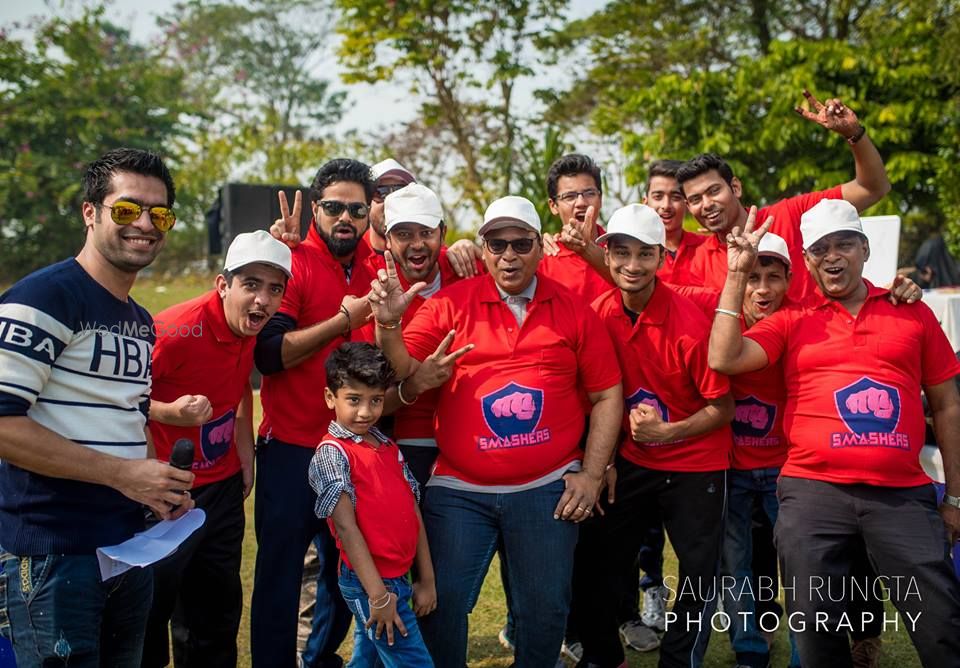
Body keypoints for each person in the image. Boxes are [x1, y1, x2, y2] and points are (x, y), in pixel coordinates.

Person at [370, 195, 623, 667]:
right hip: (460, 487)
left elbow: (609, 393)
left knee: (545, 611)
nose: (509, 255)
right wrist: (387, 325)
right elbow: (402, 368)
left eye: (521, 243)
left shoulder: (573, 309)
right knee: (439, 603)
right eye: (497, 243)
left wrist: (590, 473)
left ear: (538, 249)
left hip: (547, 486)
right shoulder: (448, 306)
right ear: (482, 249)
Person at [709, 200, 960, 667]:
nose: (832, 256)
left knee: (941, 622)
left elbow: (947, 404)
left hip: (901, 494)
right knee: (816, 629)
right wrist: (736, 273)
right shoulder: (793, 320)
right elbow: (724, 358)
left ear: (864, 249)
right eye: (820, 248)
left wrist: (956, 499)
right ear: (807, 261)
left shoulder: (912, 312)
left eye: (844, 243)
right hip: (812, 491)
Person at [0, 148, 195, 667]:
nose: (146, 224)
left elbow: (119, 416)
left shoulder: (140, 319)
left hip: (127, 548)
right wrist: (124, 475)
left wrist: (153, 493)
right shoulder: (45, 297)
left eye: (160, 214)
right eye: (128, 210)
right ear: (91, 212)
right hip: (53, 554)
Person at [571, 204, 734, 668]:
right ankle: (605, 656)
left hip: (696, 463)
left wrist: (670, 431)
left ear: (662, 258)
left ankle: (678, 662)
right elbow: (596, 399)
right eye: (621, 253)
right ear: (607, 254)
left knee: (699, 576)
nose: (631, 265)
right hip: (632, 461)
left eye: (645, 254)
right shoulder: (599, 314)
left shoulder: (690, 322)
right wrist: (608, 462)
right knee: (597, 560)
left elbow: (722, 407)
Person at [142, 231, 292, 668]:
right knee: (154, 608)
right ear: (222, 285)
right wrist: (169, 412)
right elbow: (118, 395)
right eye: (251, 285)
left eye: (274, 289)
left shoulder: (249, 330)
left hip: (223, 490)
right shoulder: (174, 329)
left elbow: (242, 384)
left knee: (217, 608)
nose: (262, 300)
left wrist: (244, 450)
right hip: (167, 492)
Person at [252, 158, 377, 668]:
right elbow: (268, 354)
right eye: (333, 207)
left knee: (340, 573)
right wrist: (340, 320)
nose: (345, 217)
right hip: (291, 450)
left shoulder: (377, 265)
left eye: (357, 209)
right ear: (316, 208)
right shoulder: (292, 262)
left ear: (371, 214)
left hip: (350, 453)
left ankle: (319, 656)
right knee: (280, 577)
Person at [678, 90, 891, 299]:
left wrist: (854, 134)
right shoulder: (697, 264)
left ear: (735, 188)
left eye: (714, 191)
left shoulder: (791, 214)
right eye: (696, 199)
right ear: (689, 207)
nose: (707, 204)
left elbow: (871, 189)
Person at [308, 342, 437, 667]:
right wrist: (378, 597)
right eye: (353, 400)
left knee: (367, 661)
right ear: (329, 398)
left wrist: (426, 579)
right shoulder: (332, 454)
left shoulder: (387, 446)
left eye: (376, 400)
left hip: (398, 579)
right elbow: (346, 529)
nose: (366, 412)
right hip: (372, 585)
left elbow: (412, 510)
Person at [540, 154, 617, 303]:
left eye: (589, 193)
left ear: (600, 200)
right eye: (570, 196)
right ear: (553, 206)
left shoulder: (623, 250)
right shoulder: (542, 259)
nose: (581, 202)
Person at [644, 159, 707, 285]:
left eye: (676, 197)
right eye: (658, 197)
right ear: (645, 202)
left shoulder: (706, 248)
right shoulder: (632, 253)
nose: (666, 206)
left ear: (687, 204)